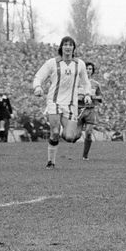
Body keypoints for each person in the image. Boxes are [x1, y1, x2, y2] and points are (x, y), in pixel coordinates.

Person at [32, 36, 92, 169]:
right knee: (54, 131)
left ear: (74, 48)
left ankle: (76, 130)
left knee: (70, 137)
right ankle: (51, 162)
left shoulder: (80, 64)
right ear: (61, 47)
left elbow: (86, 82)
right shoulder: (52, 63)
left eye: (70, 45)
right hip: (54, 102)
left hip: (71, 105)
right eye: (65, 44)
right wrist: (37, 86)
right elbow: (39, 76)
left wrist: (87, 94)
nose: (68, 47)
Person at [77, 61, 103, 160]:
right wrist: (78, 97)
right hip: (78, 110)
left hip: (90, 110)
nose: (88, 71)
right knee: (76, 135)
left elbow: (101, 97)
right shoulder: (77, 82)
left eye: (90, 69)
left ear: (92, 71)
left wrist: (94, 96)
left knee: (88, 132)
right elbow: (70, 95)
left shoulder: (96, 84)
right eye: (86, 69)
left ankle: (85, 155)